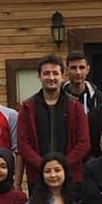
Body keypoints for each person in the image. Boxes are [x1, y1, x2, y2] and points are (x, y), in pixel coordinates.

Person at [17, 54, 90, 188]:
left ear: (63, 76)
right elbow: (23, 144)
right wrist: (44, 166)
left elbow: (83, 143)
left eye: (55, 73)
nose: (51, 78)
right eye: (46, 73)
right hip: (38, 178)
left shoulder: (76, 107)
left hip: (70, 177)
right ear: (39, 76)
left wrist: (60, 167)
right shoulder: (27, 108)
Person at [63, 50, 102, 115]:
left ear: (87, 70)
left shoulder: (99, 99)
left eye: (81, 67)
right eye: (73, 68)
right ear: (66, 70)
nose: (78, 72)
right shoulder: (59, 97)